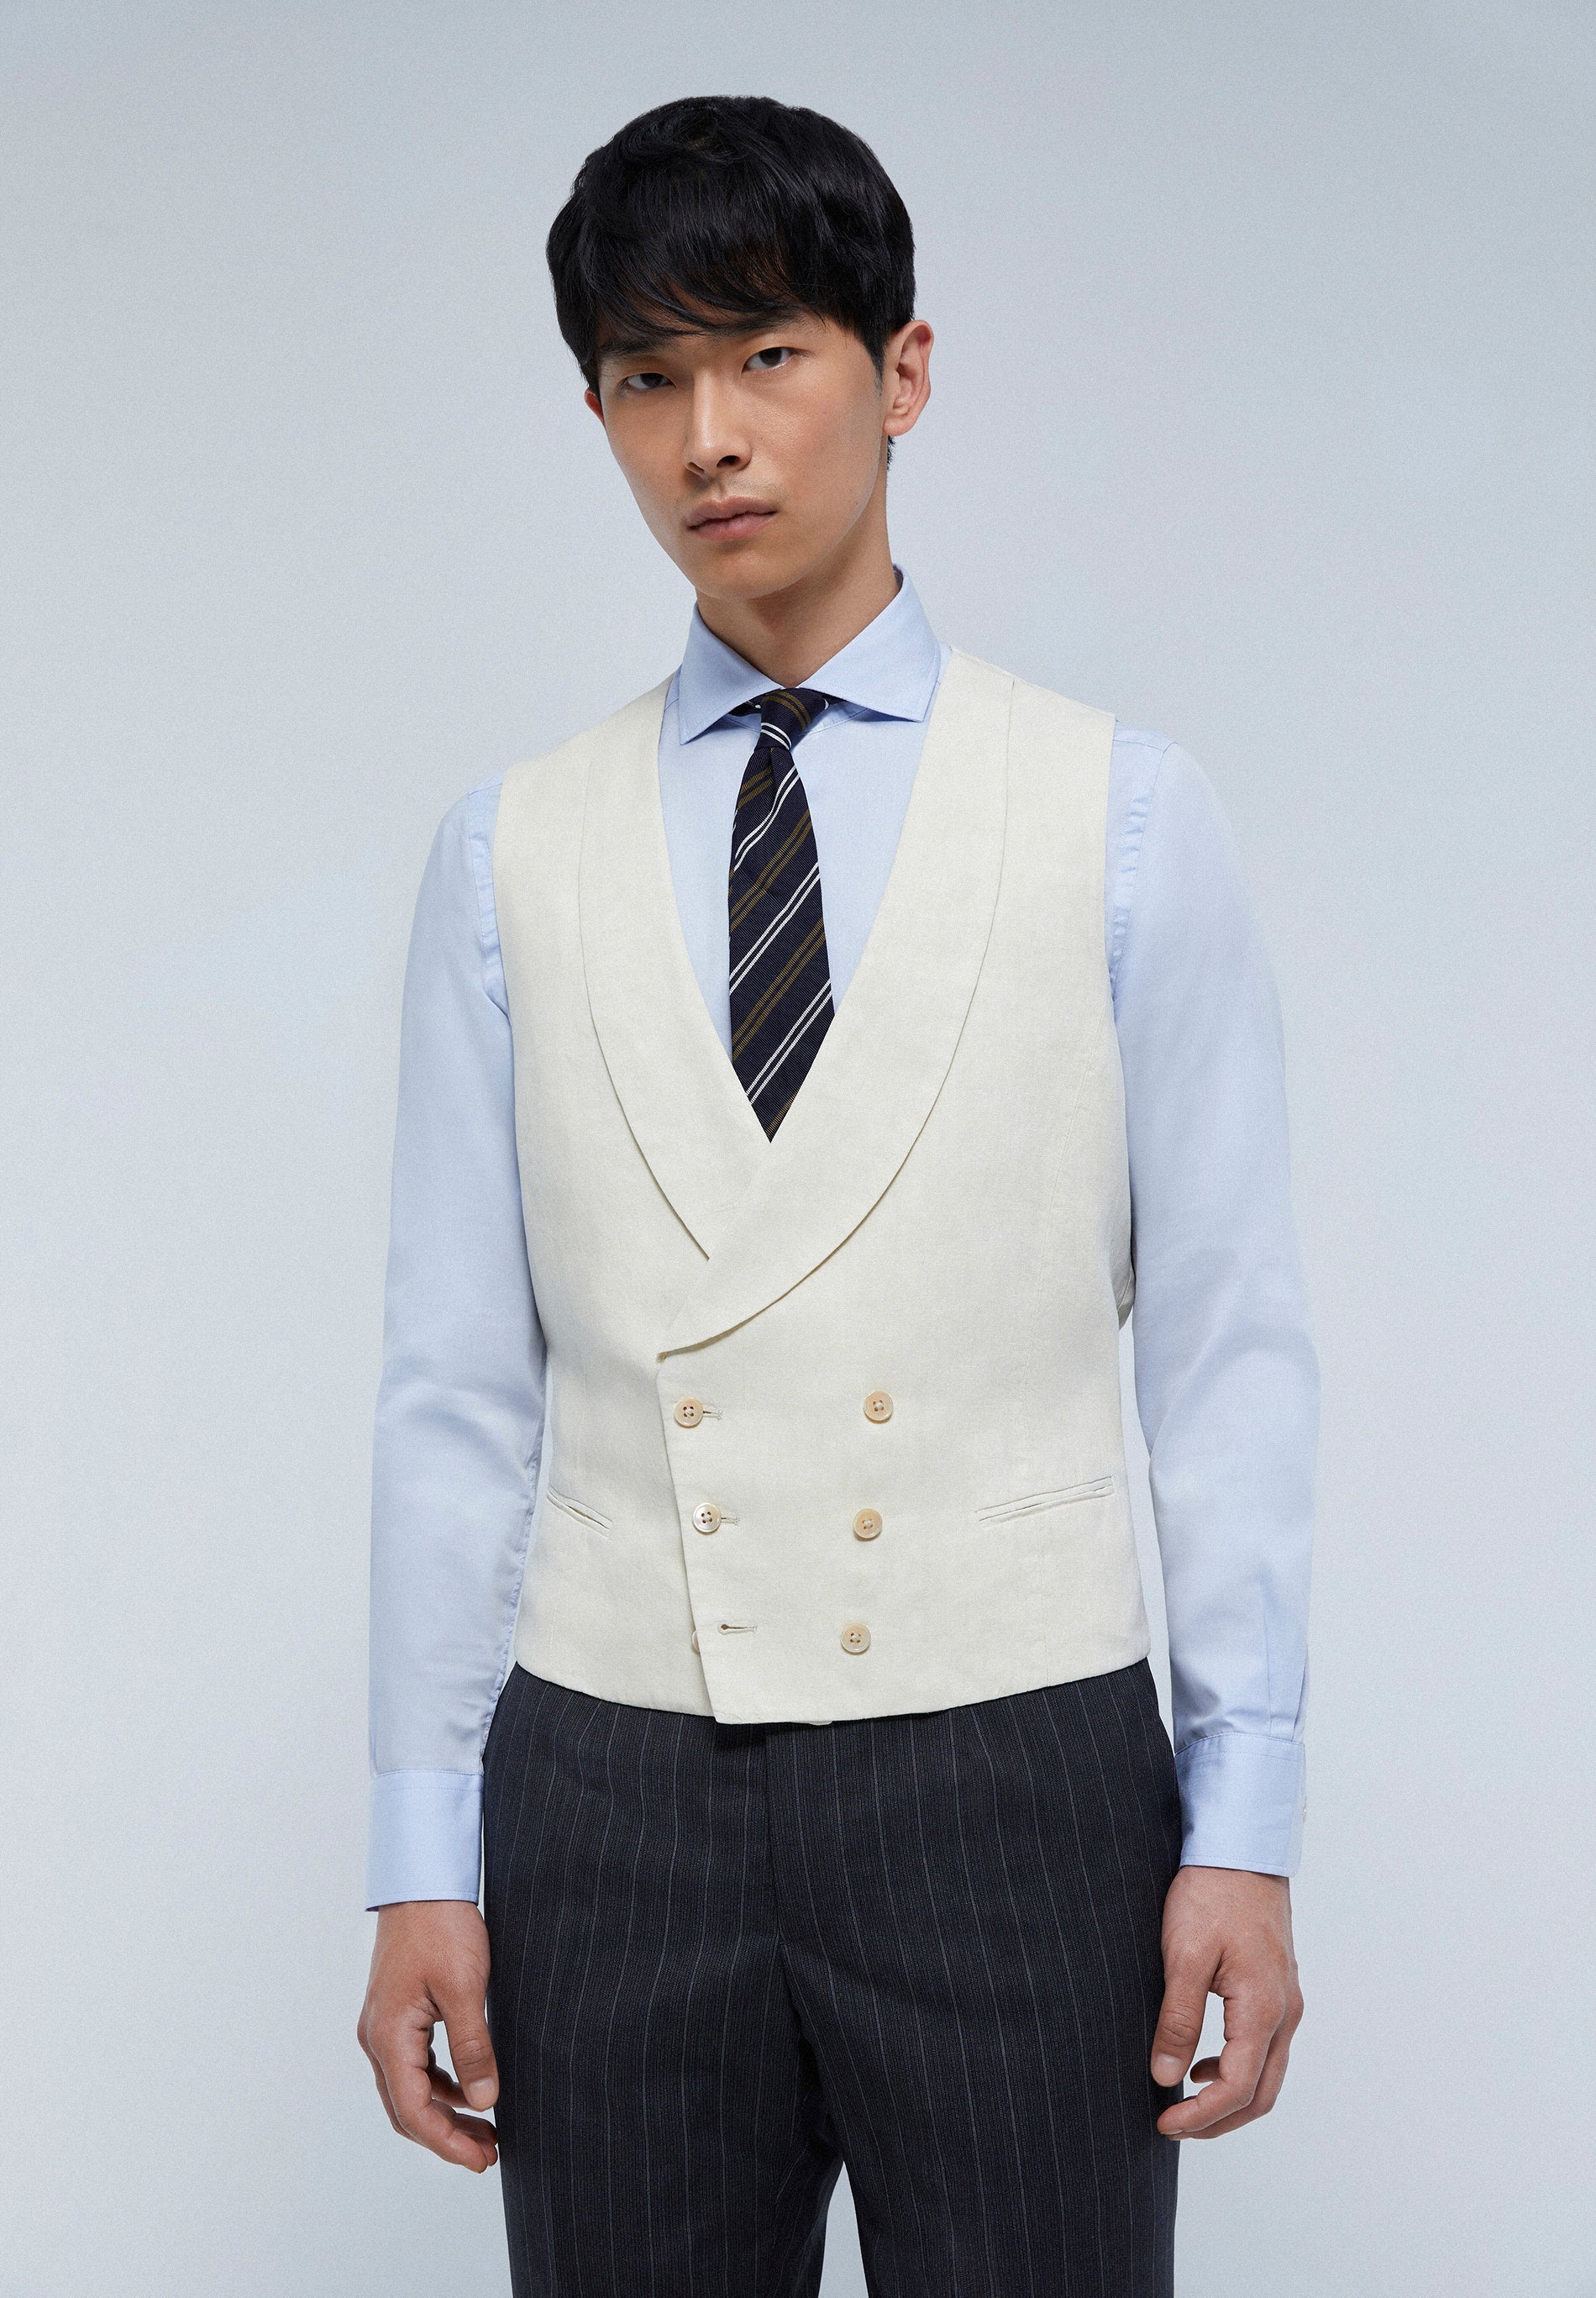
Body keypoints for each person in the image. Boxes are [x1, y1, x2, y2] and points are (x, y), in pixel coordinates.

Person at [356, 93, 1316, 2297]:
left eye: (767, 355)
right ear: (598, 415)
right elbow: (453, 1388)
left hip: (1019, 1770)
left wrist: (1244, 1819)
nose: (709, 436)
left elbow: (1227, 1349)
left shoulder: (1122, 818)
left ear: (900, 373)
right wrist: (421, 1849)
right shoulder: (506, 852)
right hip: (607, 1792)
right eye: (645, 377)